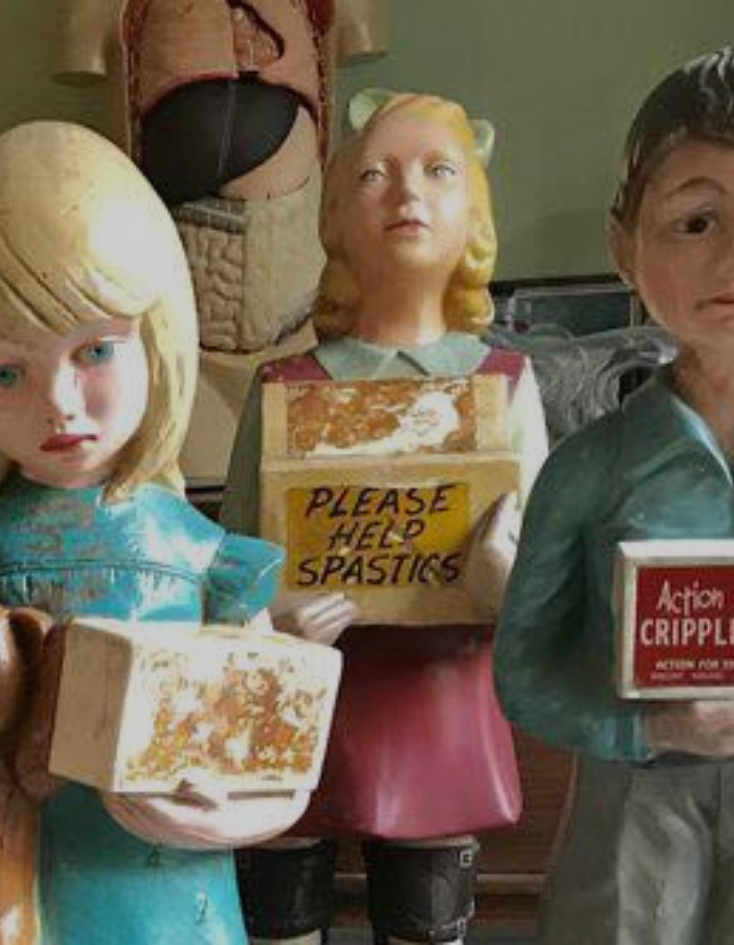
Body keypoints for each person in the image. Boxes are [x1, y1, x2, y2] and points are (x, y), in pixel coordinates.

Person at [0, 120, 305, 945]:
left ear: (159, 338)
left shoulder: (205, 561)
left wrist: (220, 814)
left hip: (171, 903)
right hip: (14, 896)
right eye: (8, 371)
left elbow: (276, 764)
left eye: (96, 352)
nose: (59, 403)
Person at [495, 42, 734, 944]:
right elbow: (525, 671)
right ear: (625, 245)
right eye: (696, 221)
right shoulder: (588, 467)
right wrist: (652, 729)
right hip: (639, 783)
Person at [219, 91, 545, 945]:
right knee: (280, 917)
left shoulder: (504, 386)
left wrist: (506, 586)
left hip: (441, 700)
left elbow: (548, 584)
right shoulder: (284, 388)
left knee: (427, 922)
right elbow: (232, 564)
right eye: (374, 175)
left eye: (438, 172)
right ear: (333, 217)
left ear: (475, 213)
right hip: (300, 703)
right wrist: (267, 616)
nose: (407, 194)